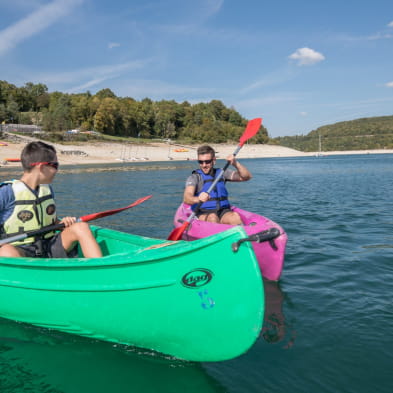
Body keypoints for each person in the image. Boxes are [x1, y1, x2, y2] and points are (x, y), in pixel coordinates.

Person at [0, 141, 102, 258]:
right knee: (6, 251)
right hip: (21, 249)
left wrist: (62, 223)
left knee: (81, 227)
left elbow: (48, 222)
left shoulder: (47, 189)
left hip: (49, 245)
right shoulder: (6, 192)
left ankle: (100, 270)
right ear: (42, 167)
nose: (56, 170)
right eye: (55, 165)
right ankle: (23, 274)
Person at [183, 145, 252, 225]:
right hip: (203, 212)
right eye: (201, 162)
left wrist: (236, 164)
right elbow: (187, 198)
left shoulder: (222, 173)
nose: (204, 165)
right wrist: (198, 199)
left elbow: (246, 177)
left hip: (223, 211)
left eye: (207, 161)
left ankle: (243, 237)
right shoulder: (195, 177)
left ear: (214, 160)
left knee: (235, 217)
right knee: (213, 218)